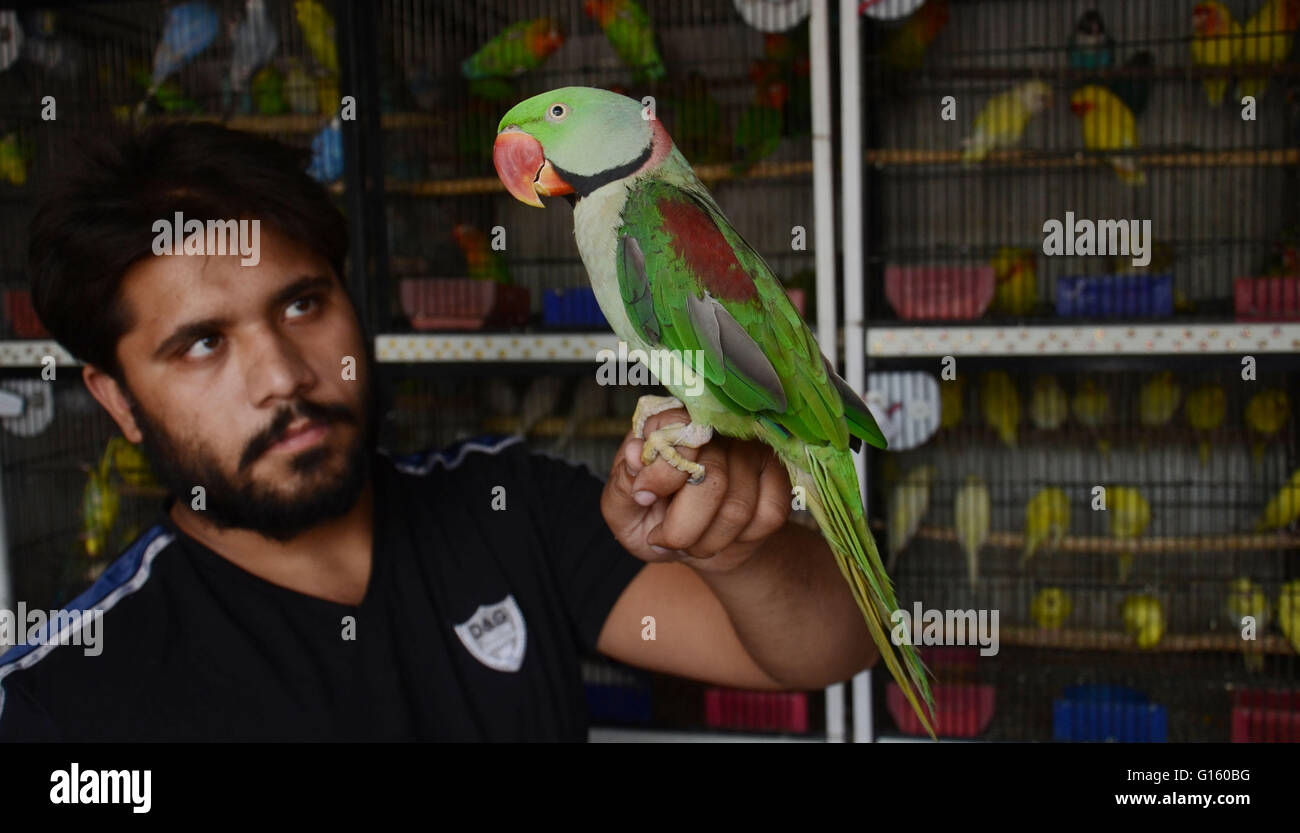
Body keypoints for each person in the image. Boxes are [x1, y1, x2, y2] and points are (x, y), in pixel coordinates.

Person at [0, 123, 876, 741]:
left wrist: (737, 547)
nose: (283, 376)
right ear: (115, 400)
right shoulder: (61, 695)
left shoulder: (507, 506)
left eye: (302, 303)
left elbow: (835, 646)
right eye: (201, 343)